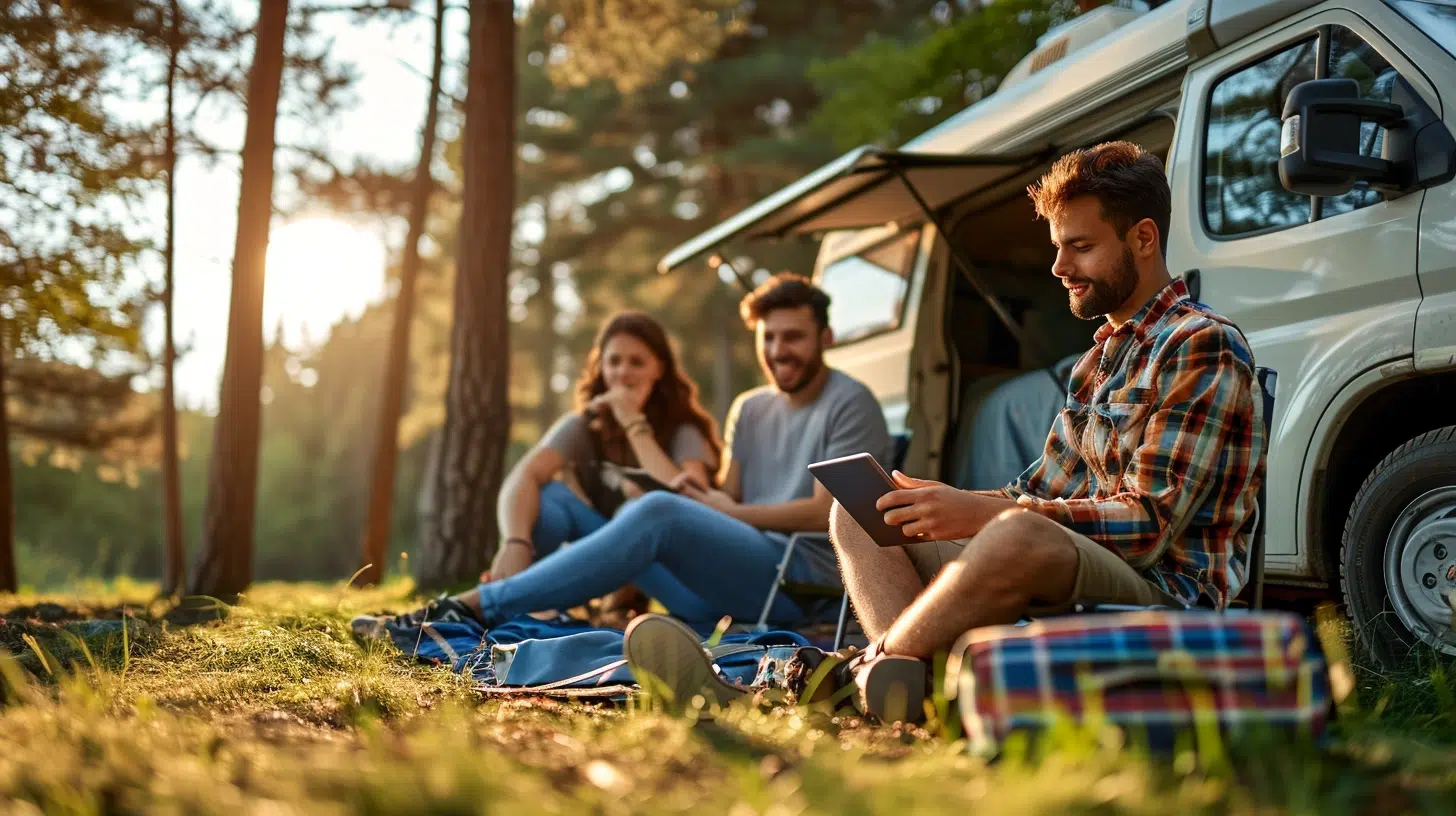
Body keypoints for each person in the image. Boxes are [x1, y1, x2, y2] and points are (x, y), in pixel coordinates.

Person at [624, 141, 1265, 721]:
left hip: (1164, 589)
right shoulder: (1099, 358)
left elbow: (1149, 523)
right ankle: (909, 684)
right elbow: (1035, 489)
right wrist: (945, 502)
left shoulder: (1200, 345)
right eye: (1057, 246)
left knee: (1015, 534)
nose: (1058, 266)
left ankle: (852, 674)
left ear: (1144, 239)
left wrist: (985, 518)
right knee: (863, 513)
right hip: (1082, 565)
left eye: (1080, 246)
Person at [358, 273, 891, 635]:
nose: (779, 351)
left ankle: (465, 612)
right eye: (768, 338)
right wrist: (682, 495)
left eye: (793, 338)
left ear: (825, 337)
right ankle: (495, 609)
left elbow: (830, 512)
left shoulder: (850, 401)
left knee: (656, 514)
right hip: (725, 573)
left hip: (792, 583)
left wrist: (716, 511)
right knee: (566, 505)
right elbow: (725, 496)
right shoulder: (751, 408)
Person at [485, 311, 722, 619]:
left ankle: (505, 599)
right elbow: (523, 475)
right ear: (601, 368)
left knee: (632, 511)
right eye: (614, 362)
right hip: (612, 562)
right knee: (550, 501)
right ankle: (511, 599)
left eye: (637, 362)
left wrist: (633, 423)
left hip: (686, 588)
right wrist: (515, 541)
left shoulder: (683, 430)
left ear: (659, 369)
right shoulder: (586, 425)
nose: (623, 372)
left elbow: (693, 498)